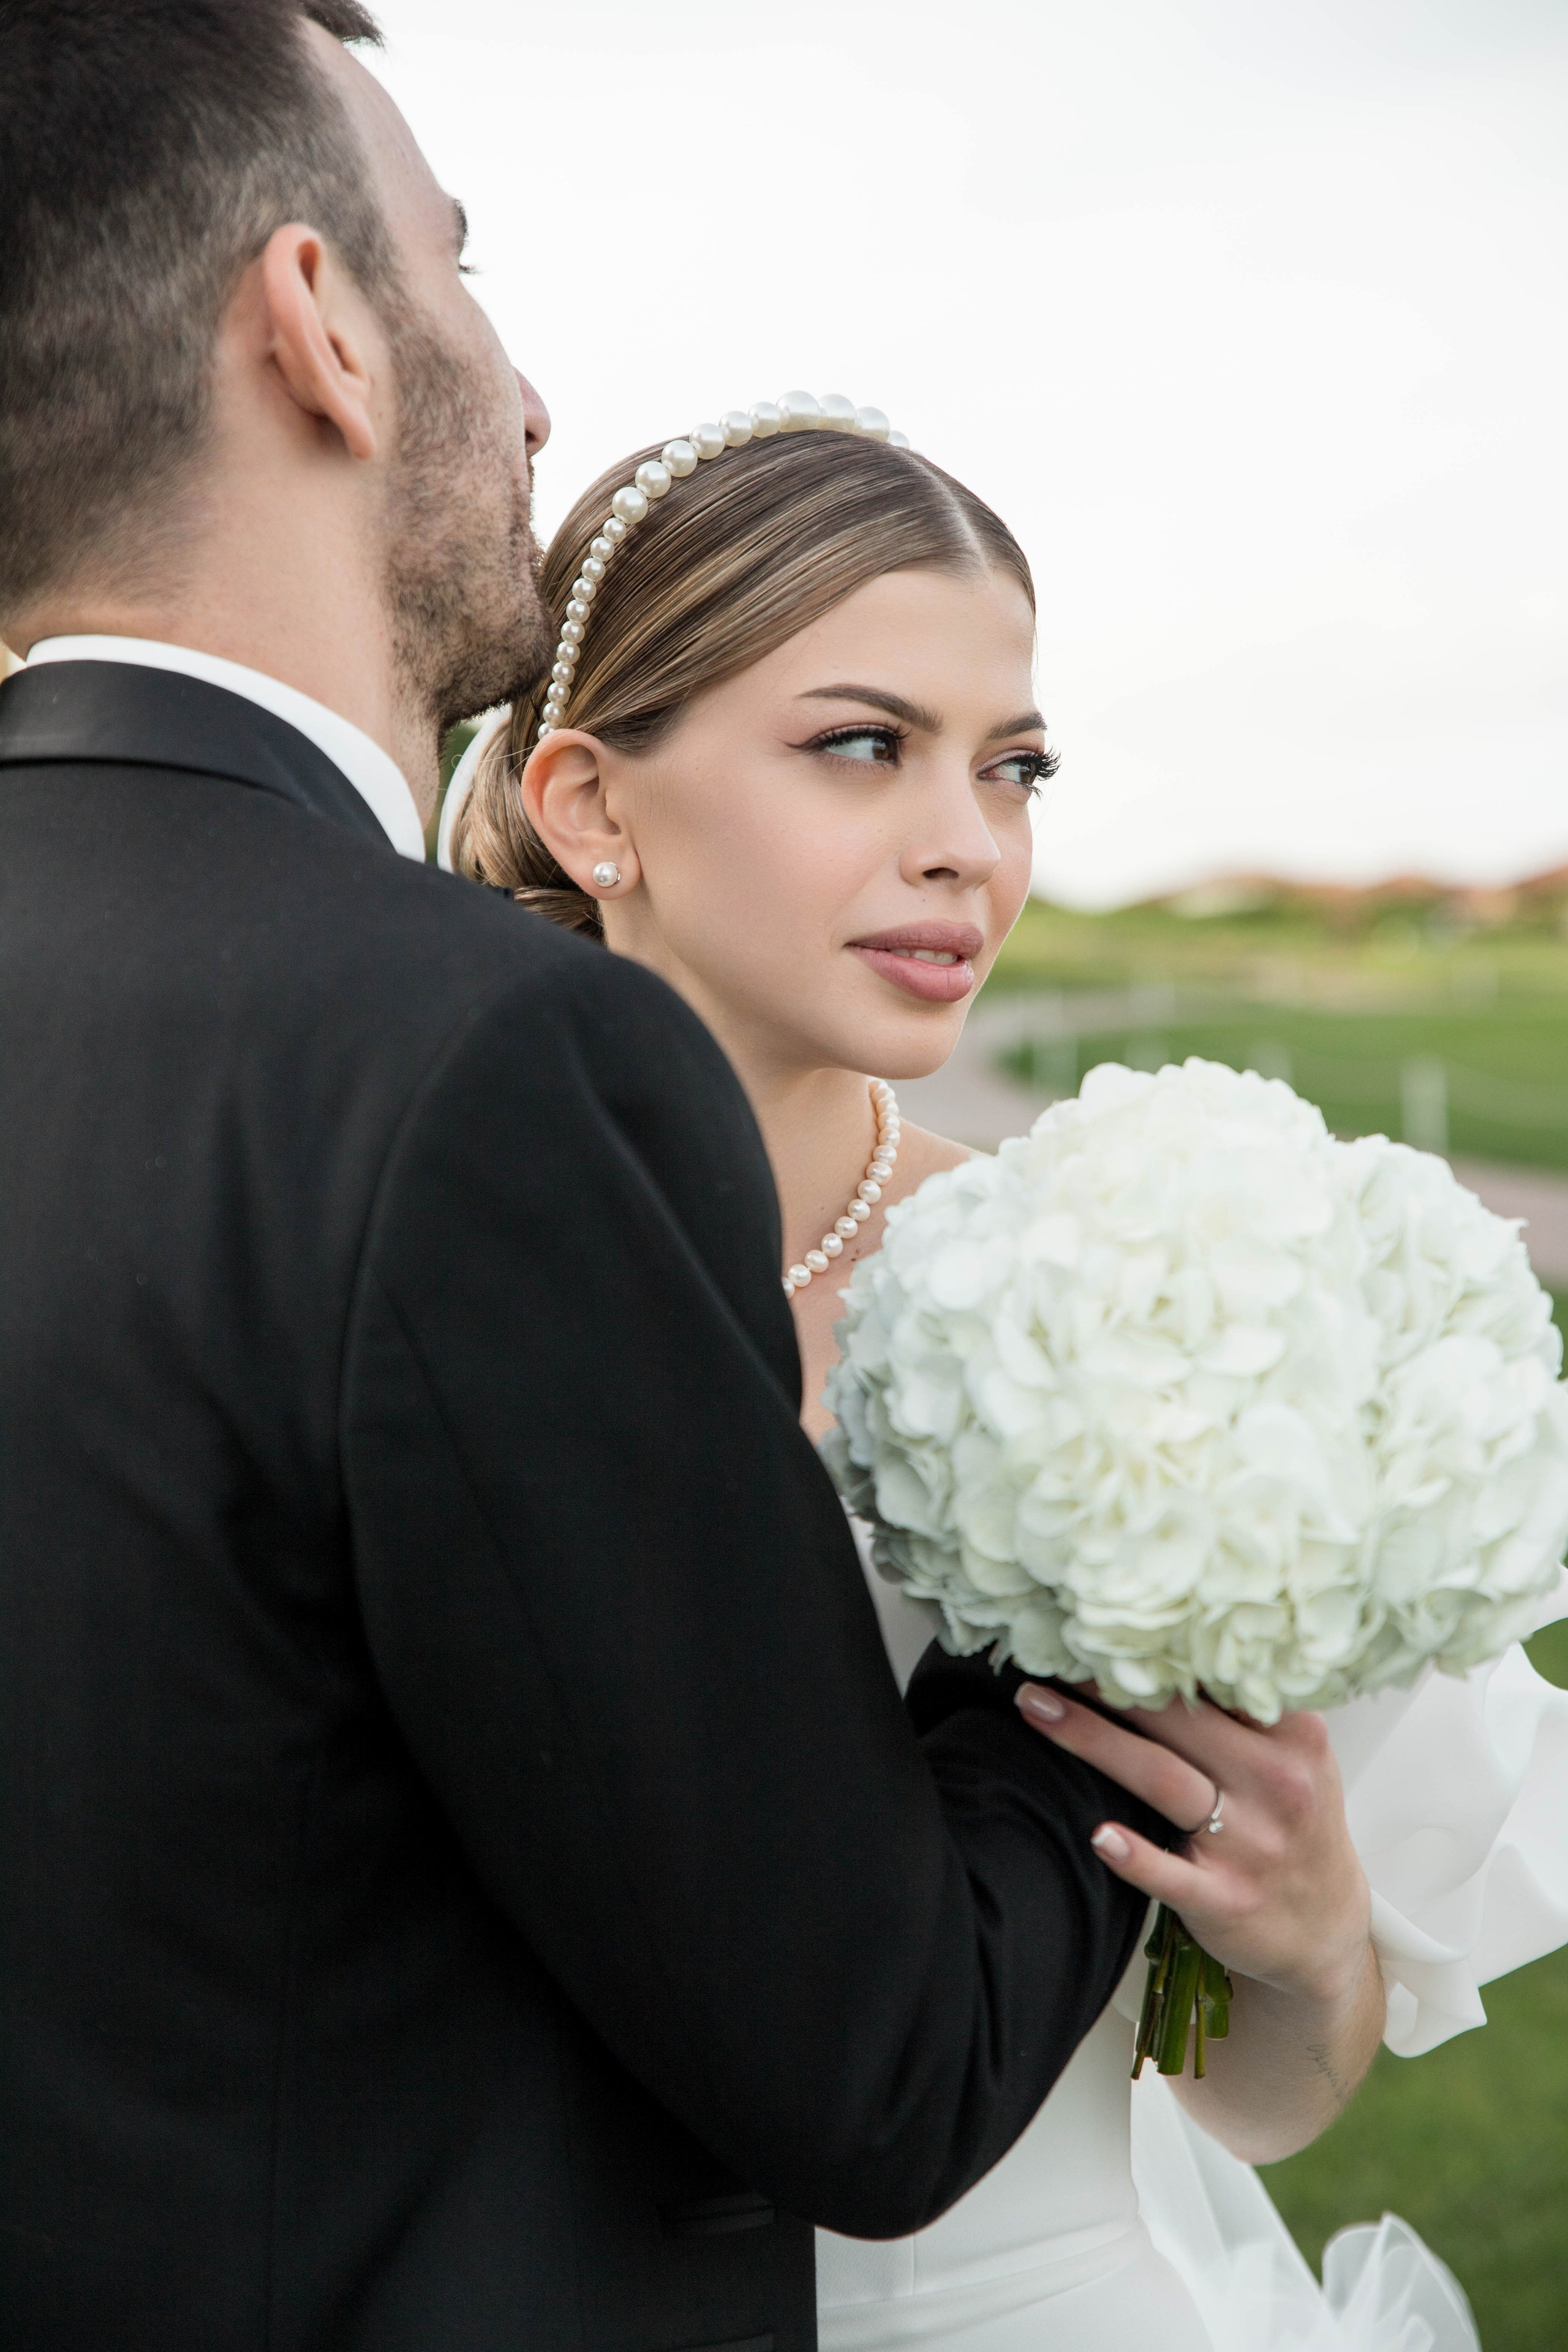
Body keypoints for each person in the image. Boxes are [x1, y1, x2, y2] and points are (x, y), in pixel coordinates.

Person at [0, 9, 1183, 2350]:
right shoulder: (491, 1054)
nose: (528, 396)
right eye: (458, 263)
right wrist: (1132, 1584)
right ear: (323, 326)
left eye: (1013, 762)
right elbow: (872, 2061)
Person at [447, 410, 1568, 2350]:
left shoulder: (1153, 1290)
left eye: (1014, 766)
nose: (970, 842)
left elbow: (1250, 2109)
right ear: (589, 803)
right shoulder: (414, 1276)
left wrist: (1301, 1948)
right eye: (862, 745)